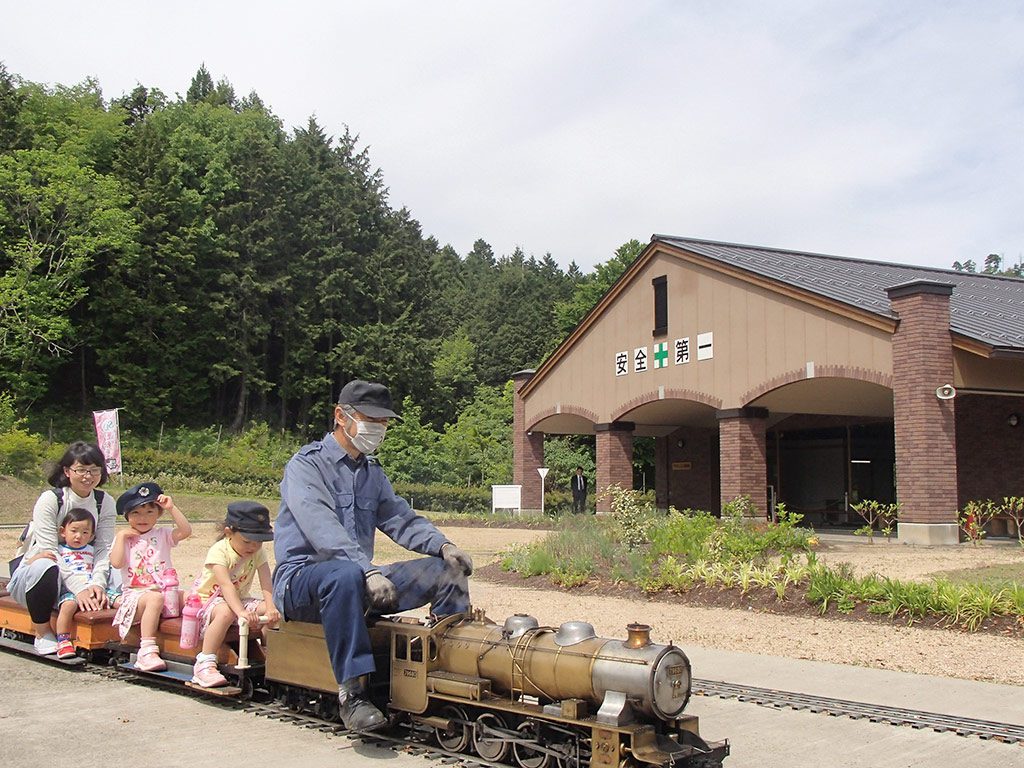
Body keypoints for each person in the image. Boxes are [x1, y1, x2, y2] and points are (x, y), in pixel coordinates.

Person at [273, 379, 474, 732]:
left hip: (360, 579)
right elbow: (323, 529)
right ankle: (353, 695)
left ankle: (448, 670)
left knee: (448, 571)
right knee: (345, 574)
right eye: (371, 420)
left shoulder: (371, 473)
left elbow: (401, 518)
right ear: (341, 416)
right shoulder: (305, 466)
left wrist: (443, 546)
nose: (378, 429)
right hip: (303, 582)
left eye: (383, 423)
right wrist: (367, 571)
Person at [6, 441, 117, 655]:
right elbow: (50, 550)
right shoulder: (51, 500)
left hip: (85, 572)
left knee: (122, 567)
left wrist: (97, 584)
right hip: (41, 579)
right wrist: (80, 589)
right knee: (45, 563)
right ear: (67, 471)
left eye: (94, 470)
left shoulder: (105, 502)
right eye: (81, 470)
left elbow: (104, 548)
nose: (88, 476)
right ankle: (42, 632)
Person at [189, 501, 280, 688]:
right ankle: (205, 662)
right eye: (247, 541)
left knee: (270, 611)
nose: (253, 547)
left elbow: (266, 580)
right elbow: (225, 585)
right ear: (229, 532)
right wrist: (241, 612)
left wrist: (270, 607)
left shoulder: (257, 552)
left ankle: (271, 655)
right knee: (225, 613)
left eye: (259, 541)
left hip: (238, 599)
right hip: (209, 599)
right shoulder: (219, 551)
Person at [110, 482, 192, 672]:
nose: (143, 518)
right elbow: (116, 563)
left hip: (165, 592)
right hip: (136, 597)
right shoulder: (124, 537)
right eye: (136, 513)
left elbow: (186, 531)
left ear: (158, 514)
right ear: (127, 516)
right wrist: (122, 537)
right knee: (154, 599)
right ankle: (146, 649)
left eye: (149, 512)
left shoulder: (162, 534)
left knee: (191, 597)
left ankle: (198, 638)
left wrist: (172, 508)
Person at [54, 508, 122, 659]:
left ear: (92, 536)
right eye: (74, 531)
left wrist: (98, 587)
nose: (79, 536)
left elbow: (102, 569)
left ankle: (129, 632)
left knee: (121, 601)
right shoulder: (59, 551)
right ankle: (63, 640)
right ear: (63, 532)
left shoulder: (93, 551)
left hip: (94, 588)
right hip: (71, 590)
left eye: (85, 532)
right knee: (68, 606)